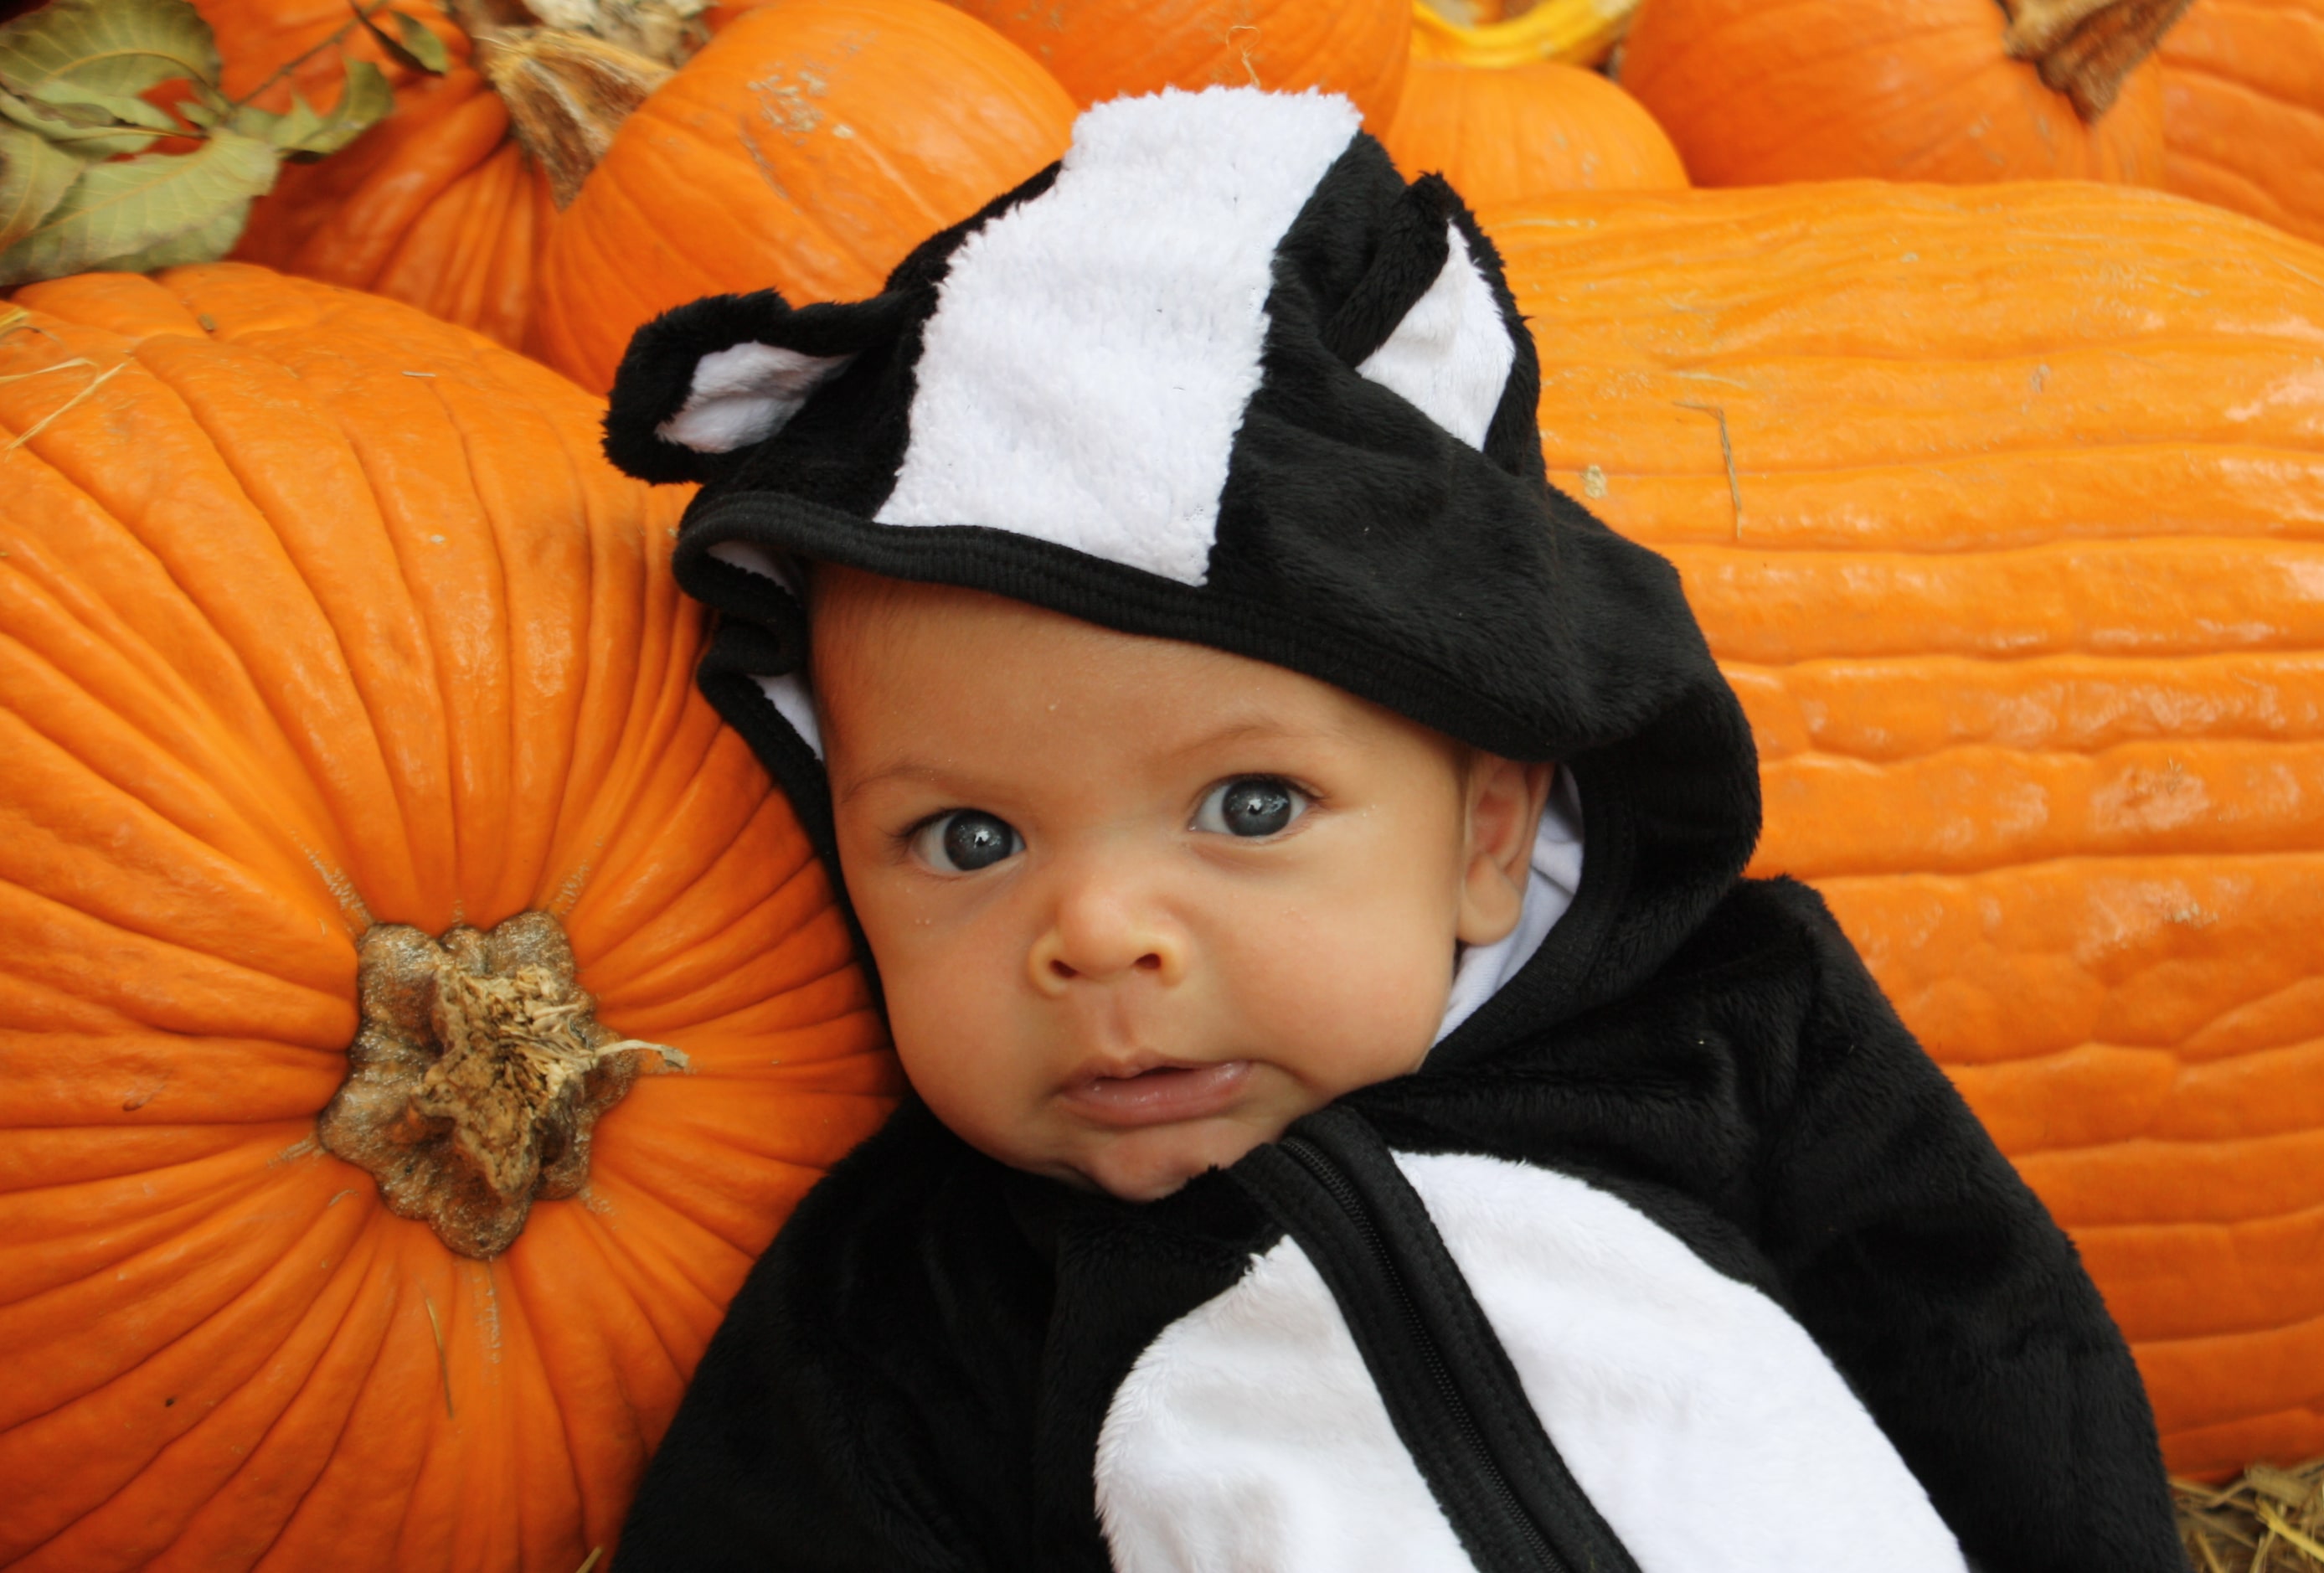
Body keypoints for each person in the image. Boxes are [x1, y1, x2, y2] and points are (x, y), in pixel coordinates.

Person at [596, 85, 2185, 1573]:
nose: (1094, 933)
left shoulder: (1731, 1042)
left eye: (1251, 805)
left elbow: (1999, 1360)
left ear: (1488, 830)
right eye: (965, 841)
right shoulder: (916, 1311)